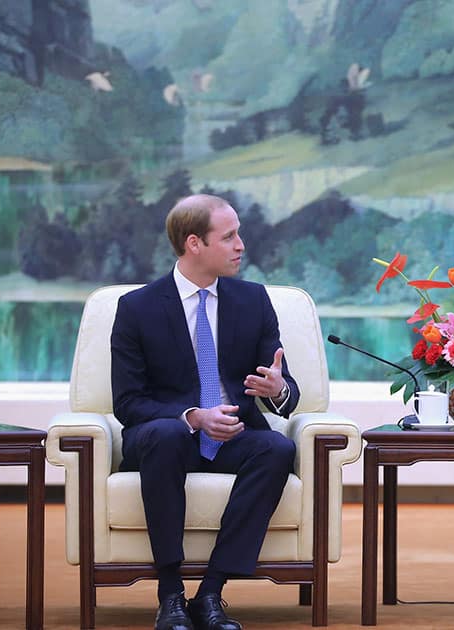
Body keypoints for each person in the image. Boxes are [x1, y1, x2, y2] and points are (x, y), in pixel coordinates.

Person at [111, 194, 300, 630]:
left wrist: (277, 389)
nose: (241, 245)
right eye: (229, 236)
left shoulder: (252, 300)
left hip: (231, 436)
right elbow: (127, 403)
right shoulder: (137, 308)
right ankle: (169, 594)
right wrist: (193, 416)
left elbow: (285, 391)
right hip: (163, 439)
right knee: (167, 434)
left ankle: (211, 593)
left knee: (275, 448)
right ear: (194, 243)